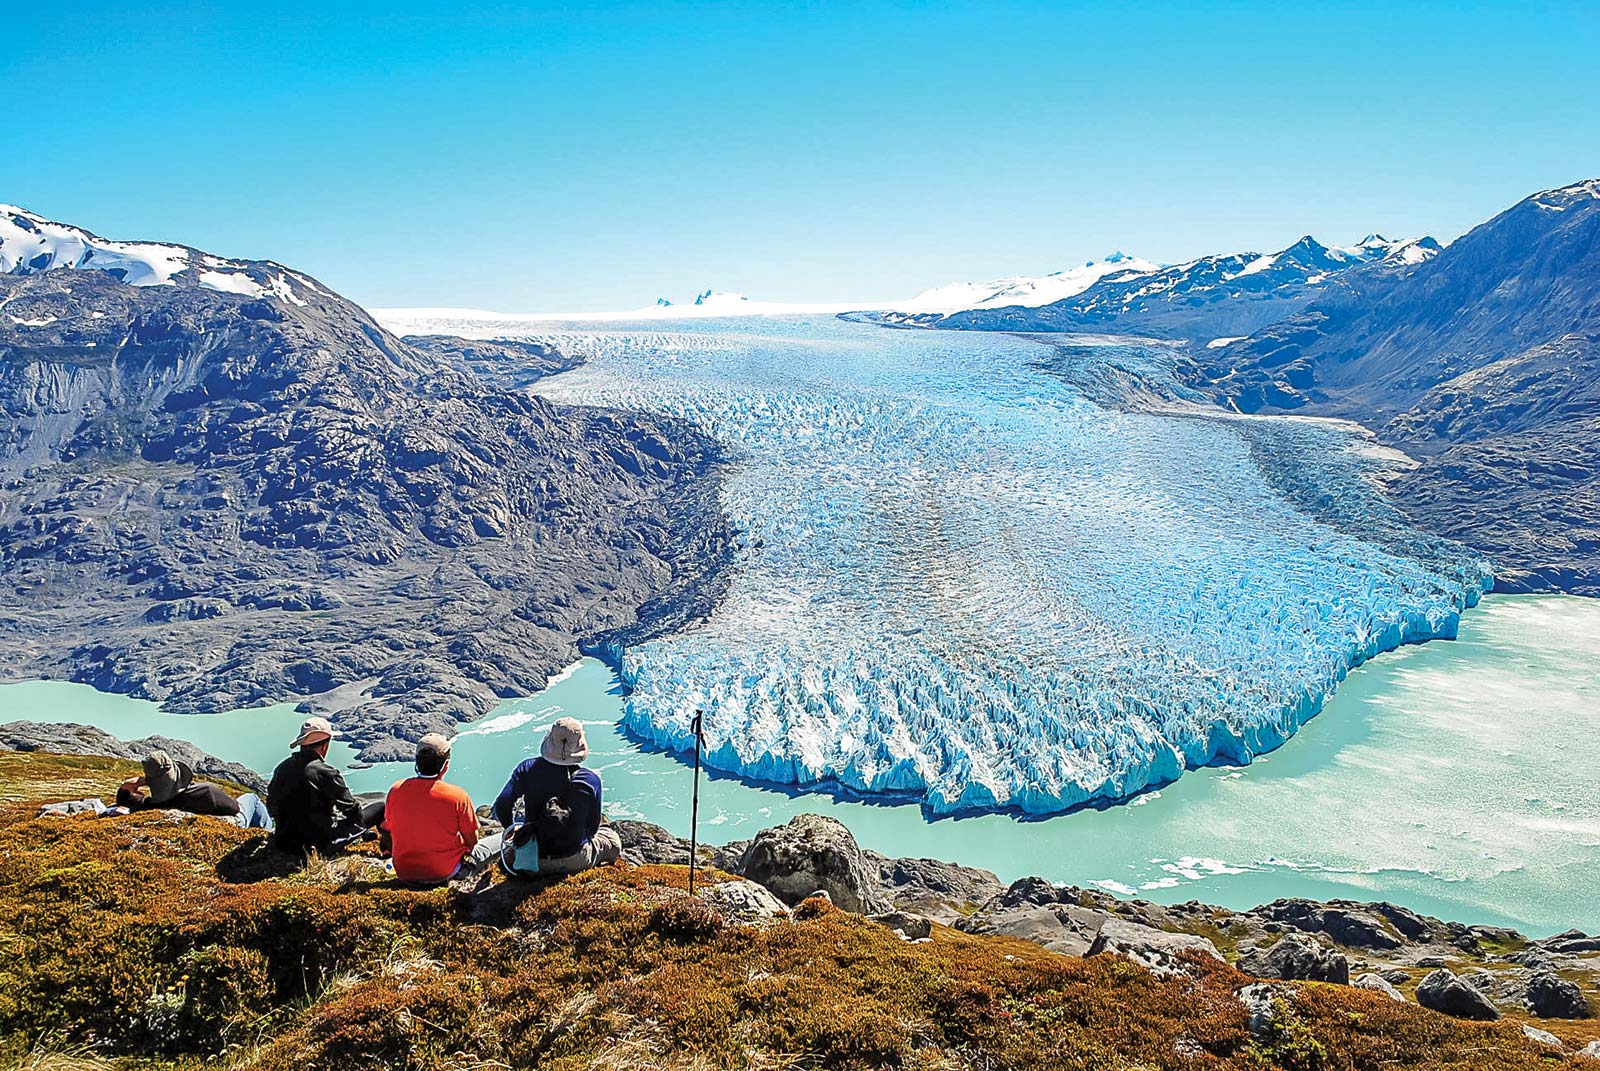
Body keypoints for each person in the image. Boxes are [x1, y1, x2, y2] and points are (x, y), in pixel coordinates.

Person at [493, 717, 622, 877]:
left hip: (532, 859)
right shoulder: (590, 780)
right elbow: (593, 827)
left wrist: (511, 830)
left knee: (516, 835)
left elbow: (502, 803)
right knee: (611, 837)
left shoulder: (527, 768)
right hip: (575, 859)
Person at [383, 734, 501, 884]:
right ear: (446, 765)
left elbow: (391, 827)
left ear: (417, 762)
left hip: (404, 871)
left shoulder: (396, 790)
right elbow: (472, 841)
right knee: (502, 838)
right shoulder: (457, 796)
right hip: (443, 872)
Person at [266, 716, 384, 856]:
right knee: (380, 807)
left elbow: (272, 808)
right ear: (324, 746)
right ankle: (387, 851)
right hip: (321, 845)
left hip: (284, 843)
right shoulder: (326, 772)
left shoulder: (281, 768)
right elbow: (352, 812)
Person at [116, 750, 272, 828]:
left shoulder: (149, 805)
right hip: (232, 823)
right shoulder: (205, 792)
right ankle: (267, 833)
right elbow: (234, 808)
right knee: (252, 799)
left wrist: (130, 784)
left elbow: (123, 799)